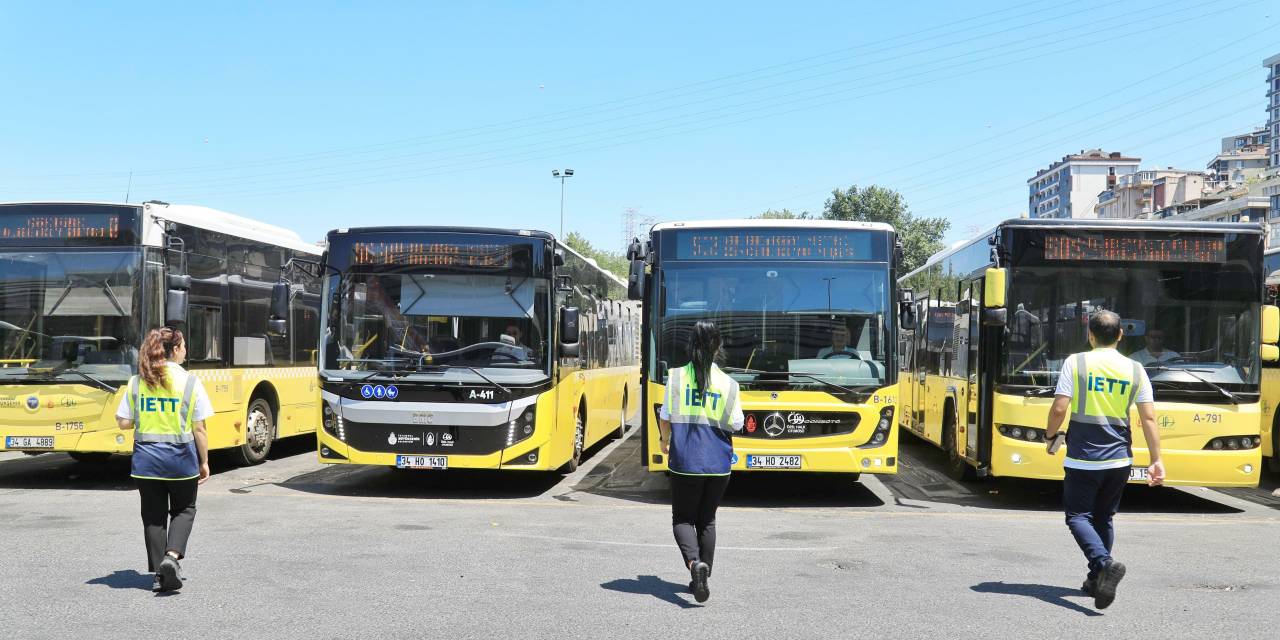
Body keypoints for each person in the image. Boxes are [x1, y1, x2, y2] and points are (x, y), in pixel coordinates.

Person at [1045, 310, 1164, 610]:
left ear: (1090, 334)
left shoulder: (1077, 362)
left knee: (1077, 517)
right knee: (1103, 517)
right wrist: (1156, 459)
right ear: (1121, 335)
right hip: (1119, 458)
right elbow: (1148, 417)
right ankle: (1095, 580)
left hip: (1084, 456)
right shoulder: (1136, 368)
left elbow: (1060, 407)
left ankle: (1104, 563)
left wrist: (1050, 436)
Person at [116, 327, 213, 593]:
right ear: (174, 350)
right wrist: (204, 462)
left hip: (146, 463)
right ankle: (171, 559)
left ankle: (160, 572)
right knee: (184, 509)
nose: (185, 351)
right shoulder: (190, 382)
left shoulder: (138, 381)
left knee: (153, 517)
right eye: (183, 346)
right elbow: (199, 428)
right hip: (181, 462)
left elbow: (124, 422)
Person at [657, 320, 744, 603]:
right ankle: (702, 576)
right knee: (707, 520)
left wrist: (664, 440)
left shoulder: (677, 377)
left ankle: (696, 566)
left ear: (691, 345)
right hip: (719, 464)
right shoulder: (730, 385)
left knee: (682, 518)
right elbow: (738, 423)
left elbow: (666, 416)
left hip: (685, 462)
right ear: (717, 347)